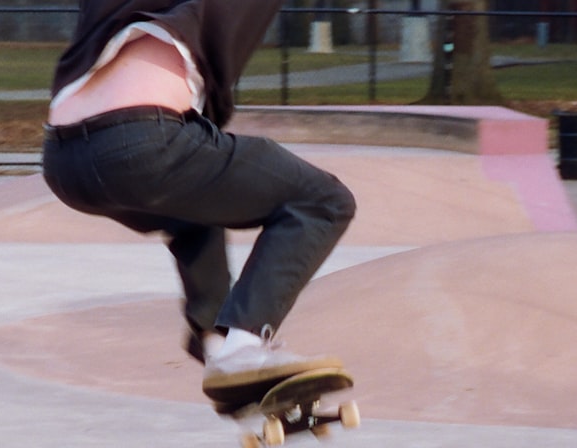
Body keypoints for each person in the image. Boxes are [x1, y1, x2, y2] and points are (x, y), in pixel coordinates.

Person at [41, 0, 356, 403]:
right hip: (141, 143)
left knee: (190, 211)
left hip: (63, 162)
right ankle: (243, 349)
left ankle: (214, 344)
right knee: (324, 201)